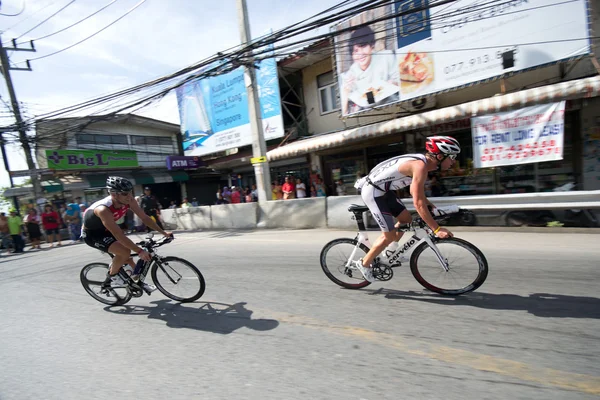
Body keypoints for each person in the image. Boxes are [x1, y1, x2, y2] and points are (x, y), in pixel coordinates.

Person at [353, 136, 459, 282]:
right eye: (452, 157)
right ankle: (364, 263)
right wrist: (436, 229)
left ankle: (391, 251)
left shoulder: (423, 163)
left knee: (406, 220)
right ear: (440, 156)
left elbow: (415, 192)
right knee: (388, 235)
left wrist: (429, 205)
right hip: (372, 192)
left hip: (383, 191)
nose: (453, 161)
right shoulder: (420, 166)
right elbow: (418, 203)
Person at [81, 177, 172, 292]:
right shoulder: (103, 209)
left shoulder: (129, 200)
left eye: (130, 192)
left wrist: (163, 232)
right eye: (125, 194)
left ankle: (137, 282)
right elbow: (118, 234)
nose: (129, 196)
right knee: (125, 252)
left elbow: (144, 217)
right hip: (93, 234)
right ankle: (113, 275)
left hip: (107, 229)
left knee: (128, 259)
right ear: (113, 194)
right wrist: (139, 251)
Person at [340, 25, 399, 115]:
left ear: (372, 45)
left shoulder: (387, 57)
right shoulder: (351, 74)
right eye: (356, 51)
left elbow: (401, 81)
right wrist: (345, 91)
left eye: (363, 46)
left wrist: (393, 84)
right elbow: (344, 112)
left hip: (395, 109)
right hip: (370, 116)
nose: (360, 54)